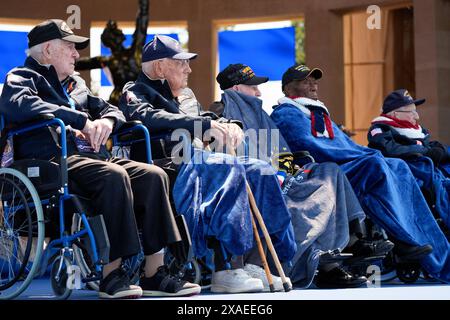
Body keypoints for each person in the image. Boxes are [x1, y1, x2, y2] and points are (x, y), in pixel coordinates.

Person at [0, 19, 201, 298]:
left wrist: (106, 121)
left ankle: (155, 272)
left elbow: (113, 109)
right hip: (50, 160)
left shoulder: (76, 85)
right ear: (47, 50)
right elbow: (17, 105)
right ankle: (112, 274)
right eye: (70, 47)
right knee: (112, 176)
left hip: (92, 158)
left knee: (153, 174)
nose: (76, 54)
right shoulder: (22, 77)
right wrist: (79, 120)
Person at [119, 35, 297, 293]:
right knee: (226, 166)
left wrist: (230, 125)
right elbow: (151, 117)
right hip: (166, 164)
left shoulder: (180, 96)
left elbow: (206, 117)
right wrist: (203, 125)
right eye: (181, 64)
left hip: (198, 160)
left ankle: (257, 263)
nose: (188, 69)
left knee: (260, 169)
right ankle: (225, 267)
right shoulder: (134, 91)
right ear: (159, 67)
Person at [212, 63, 394, 288]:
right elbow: (221, 157)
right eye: (253, 87)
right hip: (251, 181)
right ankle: (319, 263)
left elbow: (280, 153)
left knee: (329, 171)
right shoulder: (220, 112)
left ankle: (345, 246)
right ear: (237, 88)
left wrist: (288, 174)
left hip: (280, 177)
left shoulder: (262, 115)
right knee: (313, 193)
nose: (259, 93)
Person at [270, 64, 450, 283]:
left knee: (398, 166)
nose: (314, 85)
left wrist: (367, 154)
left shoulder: (316, 111)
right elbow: (311, 146)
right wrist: (364, 155)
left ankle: (413, 242)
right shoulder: (287, 113)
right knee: (375, 165)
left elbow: (346, 145)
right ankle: (404, 239)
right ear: (290, 88)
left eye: (314, 81)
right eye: (306, 81)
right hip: (320, 170)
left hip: (343, 162)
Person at [368, 89, 450, 233]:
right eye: (411, 112)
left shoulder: (418, 131)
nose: (417, 116)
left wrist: (439, 150)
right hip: (404, 176)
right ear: (395, 114)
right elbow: (391, 149)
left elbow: (430, 147)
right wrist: (424, 152)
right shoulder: (379, 129)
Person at [75, 0, 148, 105]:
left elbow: (142, 25)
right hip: (120, 101)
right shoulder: (108, 60)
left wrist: (144, 5)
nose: (120, 31)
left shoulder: (133, 52)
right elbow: (78, 64)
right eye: (116, 31)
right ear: (112, 39)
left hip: (135, 99)